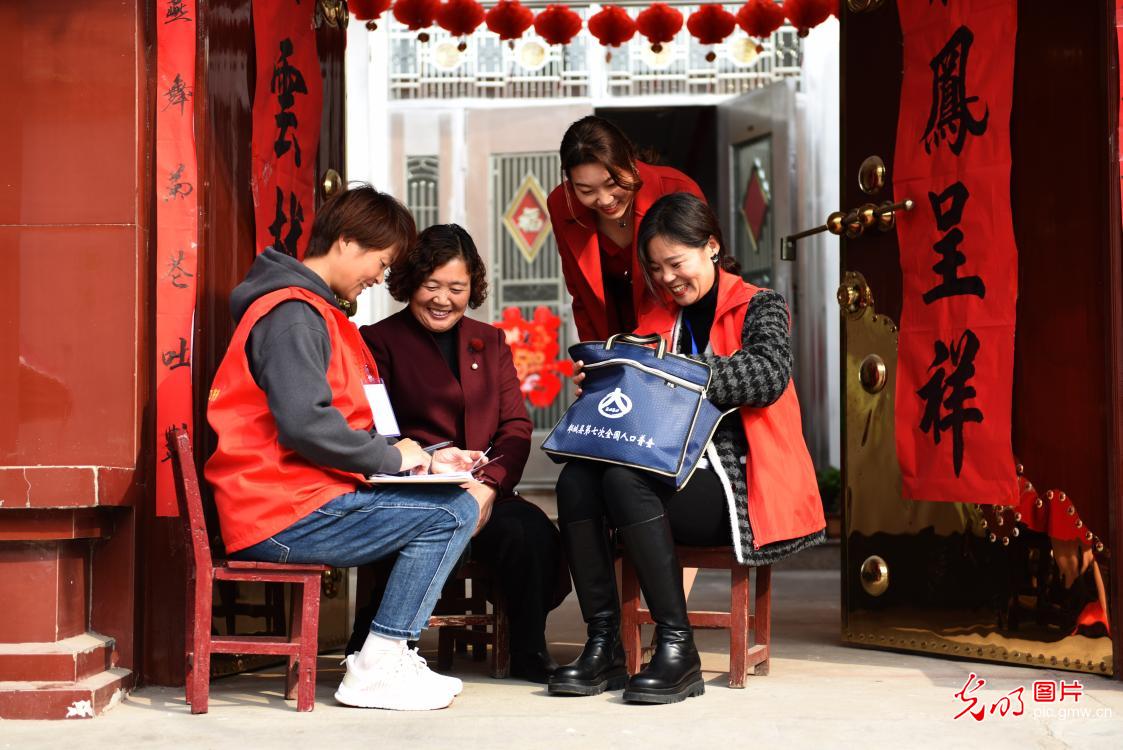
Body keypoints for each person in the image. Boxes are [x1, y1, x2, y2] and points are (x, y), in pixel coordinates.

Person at [205, 186, 491, 712]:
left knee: (449, 500)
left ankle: (389, 654)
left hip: (299, 499)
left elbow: (348, 420)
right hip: (281, 512)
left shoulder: (318, 312)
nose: (380, 278)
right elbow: (306, 425)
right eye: (381, 262)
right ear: (347, 242)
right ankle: (379, 662)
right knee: (453, 511)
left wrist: (426, 460)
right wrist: (391, 459)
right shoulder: (292, 314)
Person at [548, 192, 826, 704]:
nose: (667, 278)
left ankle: (678, 650)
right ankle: (604, 644)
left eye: (676, 263)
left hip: (737, 484)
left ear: (711, 247)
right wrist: (608, 378)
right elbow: (640, 391)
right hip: (666, 470)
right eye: (655, 269)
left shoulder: (760, 304)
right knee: (575, 480)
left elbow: (768, 374)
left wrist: (674, 371)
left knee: (624, 480)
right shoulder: (657, 317)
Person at [354, 223, 569, 683]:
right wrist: (423, 462)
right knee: (405, 534)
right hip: (414, 492)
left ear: (473, 288)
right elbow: (377, 428)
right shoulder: (378, 339)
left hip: (481, 488)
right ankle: (386, 651)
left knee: (530, 532)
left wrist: (488, 486)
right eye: (431, 285)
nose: (443, 300)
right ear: (410, 281)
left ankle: (528, 649)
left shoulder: (489, 341)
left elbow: (515, 427)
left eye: (456, 288)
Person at [547, 115, 705, 343]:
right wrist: (595, 357)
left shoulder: (676, 189)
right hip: (611, 336)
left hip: (678, 333)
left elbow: (704, 277)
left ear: (631, 162)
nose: (605, 200)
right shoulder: (562, 205)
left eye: (612, 184)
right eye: (586, 191)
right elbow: (581, 296)